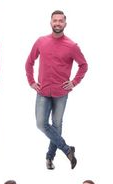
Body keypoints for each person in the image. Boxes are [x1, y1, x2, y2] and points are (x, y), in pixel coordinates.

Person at [25, 10, 87, 170]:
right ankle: (67, 150)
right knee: (41, 124)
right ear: (50, 22)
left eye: (60, 21)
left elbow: (83, 65)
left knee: (57, 125)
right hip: (43, 91)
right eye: (55, 20)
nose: (57, 23)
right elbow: (29, 62)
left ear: (65, 24)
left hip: (61, 93)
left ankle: (49, 158)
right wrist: (31, 81)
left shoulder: (72, 46)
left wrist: (74, 82)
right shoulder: (41, 41)